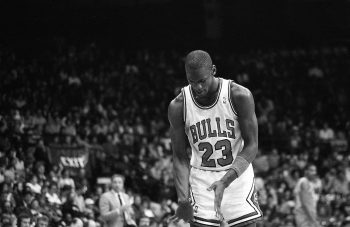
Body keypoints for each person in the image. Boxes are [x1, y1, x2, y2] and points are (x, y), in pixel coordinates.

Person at [168, 50, 262, 227]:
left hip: (236, 174)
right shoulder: (178, 105)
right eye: (192, 82)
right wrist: (182, 199)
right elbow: (179, 156)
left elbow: (252, 146)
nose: (198, 88)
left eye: (202, 81)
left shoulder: (239, 95)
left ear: (213, 70)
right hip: (202, 180)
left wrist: (225, 181)